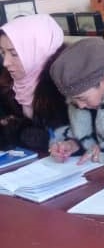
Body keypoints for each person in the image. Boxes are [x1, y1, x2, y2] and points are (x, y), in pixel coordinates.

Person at [0, 14, 68, 151]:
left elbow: (68, 138)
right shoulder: (9, 82)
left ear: (39, 49)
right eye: (2, 52)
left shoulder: (65, 81)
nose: (6, 62)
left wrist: (17, 131)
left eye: (14, 54)